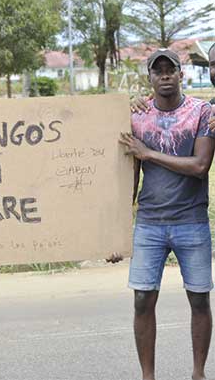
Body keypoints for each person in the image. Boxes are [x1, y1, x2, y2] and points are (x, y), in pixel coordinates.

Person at [118, 49, 215, 380]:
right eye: (157, 70)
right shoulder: (137, 117)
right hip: (149, 223)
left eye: (170, 69)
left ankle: (198, 373)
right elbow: (128, 174)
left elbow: (200, 166)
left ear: (181, 74)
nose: (164, 75)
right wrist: (116, 229)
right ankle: (148, 376)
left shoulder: (202, 112)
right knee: (143, 299)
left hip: (192, 221)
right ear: (150, 77)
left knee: (200, 299)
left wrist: (149, 153)